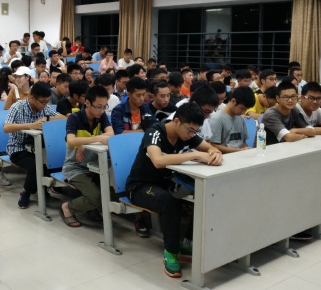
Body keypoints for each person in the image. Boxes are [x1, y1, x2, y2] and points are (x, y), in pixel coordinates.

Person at [125, 102, 223, 278]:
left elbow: (211, 148)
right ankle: (170, 252)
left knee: (203, 194)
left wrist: (215, 153)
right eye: (190, 130)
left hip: (166, 183)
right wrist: (195, 154)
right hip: (140, 186)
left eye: (195, 131)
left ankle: (187, 244)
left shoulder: (186, 133)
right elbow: (158, 161)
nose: (192, 135)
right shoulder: (155, 132)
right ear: (177, 121)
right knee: (170, 203)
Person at [59, 85, 114, 227]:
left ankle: (90, 207)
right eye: (98, 107)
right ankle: (67, 207)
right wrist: (96, 138)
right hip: (75, 168)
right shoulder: (75, 118)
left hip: (93, 166)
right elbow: (71, 141)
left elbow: (111, 134)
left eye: (105, 107)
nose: (102, 111)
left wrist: (84, 143)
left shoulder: (101, 116)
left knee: (110, 189)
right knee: (95, 197)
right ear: (88, 103)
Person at [4, 82, 65, 209]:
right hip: (18, 148)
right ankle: (26, 192)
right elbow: (6, 127)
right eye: (43, 102)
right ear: (32, 97)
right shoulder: (17, 107)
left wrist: (47, 119)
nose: (45, 105)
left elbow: (64, 118)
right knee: (37, 167)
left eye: (47, 101)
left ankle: (43, 188)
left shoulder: (44, 108)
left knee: (54, 163)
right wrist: (31, 125)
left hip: (38, 149)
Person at [261, 80, 316, 145]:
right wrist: (303, 136)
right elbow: (289, 137)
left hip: (285, 147)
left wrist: (295, 130)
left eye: (293, 97)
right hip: (267, 149)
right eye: (286, 97)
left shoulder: (293, 110)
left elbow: (312, 131)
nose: (290, 100)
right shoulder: (271, 114)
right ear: (278, 98)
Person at [209, 86, 256, 153]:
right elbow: (214, 146)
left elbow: (243, 142)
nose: (243, 112)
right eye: (242, 108)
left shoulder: (240, 118)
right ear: (233, 101)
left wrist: (247, 151)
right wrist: (239, 151)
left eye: (246, 110)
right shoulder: (217, 119)